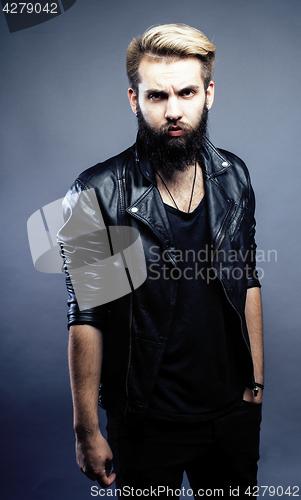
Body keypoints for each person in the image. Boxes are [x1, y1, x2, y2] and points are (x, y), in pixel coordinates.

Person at [58, 24, 264, 498]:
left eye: (187, 92)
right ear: (134, 99)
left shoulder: (235, 178)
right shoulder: (93, 194)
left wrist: (256, 384)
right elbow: (86, 315)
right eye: (156, 96)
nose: (173, 111)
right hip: (147, 423)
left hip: (232, 415)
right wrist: (85, 430)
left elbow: (248, 278)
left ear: (208, 93)